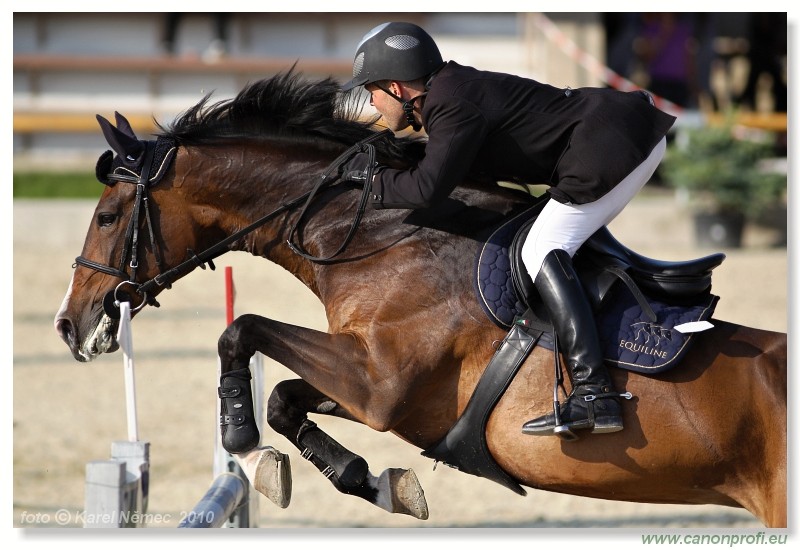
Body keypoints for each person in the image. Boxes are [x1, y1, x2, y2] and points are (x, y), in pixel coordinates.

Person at [339, 22, 676, 439]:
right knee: (547, 237)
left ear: (396, 87)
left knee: (541, 248)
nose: (371, 103)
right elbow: (443, 169)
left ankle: (594, 394)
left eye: (371, 90)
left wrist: (368, 182)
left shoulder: (451, 103)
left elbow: (427, 188)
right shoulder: (449, 94)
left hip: (615, 143)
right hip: (613, 134)